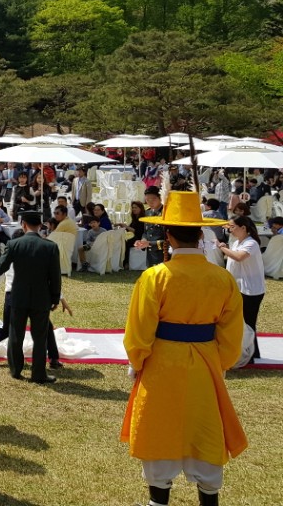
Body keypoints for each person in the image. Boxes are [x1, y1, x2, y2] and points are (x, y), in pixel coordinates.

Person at [121, 191, 246, 506]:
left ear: (167, 235)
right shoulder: (222, 279)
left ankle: (158, 499)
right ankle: (208, 495)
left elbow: (139, 331)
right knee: (203, 427)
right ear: (201, 234)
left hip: (161, 365)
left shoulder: (154, 277)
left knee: (160, 427)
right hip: (205, 363)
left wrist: (137, 362)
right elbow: (232, 336)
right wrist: (220, 363)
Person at [0, 211, 62, 383]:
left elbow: (1, 266)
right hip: (41, 298)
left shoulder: (14, 244)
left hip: (18, 296)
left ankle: (16, 370)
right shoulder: (50, 246)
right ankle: (39, 374)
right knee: (40, 337)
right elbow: (55, 277)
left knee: (16, 335)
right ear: (40, 226)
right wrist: (55, 298)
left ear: (23, 225)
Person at [217, 215, 265, 362]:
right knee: (242, 322)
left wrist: (222, 248)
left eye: (232, 227)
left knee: (248, 322)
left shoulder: (251, 243)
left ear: (243, 228)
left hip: (251, 290)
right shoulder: (238, 242)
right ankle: (251, 353)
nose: (230, 230)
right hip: (240, 288)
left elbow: (239, 257)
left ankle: (250, 355)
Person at [134, 186, 165, 267]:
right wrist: (143, 240)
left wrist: (149, 243)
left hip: (164, 255)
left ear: (160, 198)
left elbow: (170, 239)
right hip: (150, 256)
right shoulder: (148, 213)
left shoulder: (166, 213)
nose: (150, 202)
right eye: (147, 200)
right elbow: (146, 232)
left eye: (153, 199)